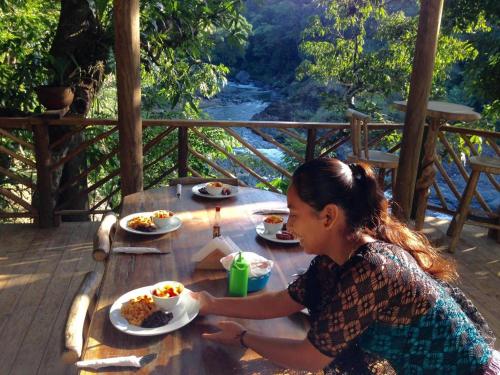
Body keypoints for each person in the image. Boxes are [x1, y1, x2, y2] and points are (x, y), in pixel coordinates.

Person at [192, 158, 498, 374]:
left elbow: (311, 358)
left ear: (328, 216)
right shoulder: (337, 259)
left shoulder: (372, 269)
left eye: (294, 213)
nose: (288, 224)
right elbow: (284, 300)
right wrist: (210, 304)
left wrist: (243, 337)